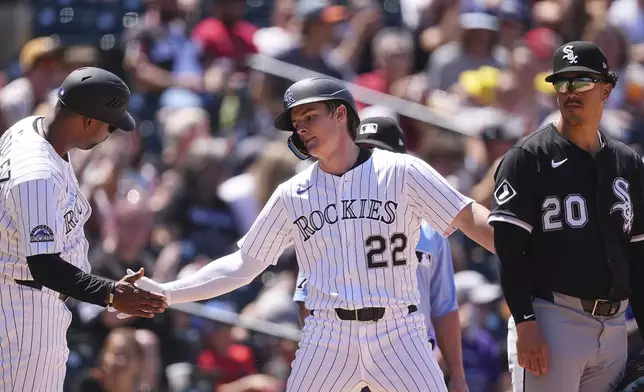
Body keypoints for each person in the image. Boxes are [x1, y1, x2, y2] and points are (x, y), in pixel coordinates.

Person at [124, 77, 494, 392]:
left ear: (340, 114)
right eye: (295, 122)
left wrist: (534, 252)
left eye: (309, 116)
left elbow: (469, 216)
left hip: (399, 330)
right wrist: (167, 291)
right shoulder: (293, 193)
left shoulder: (402, 171)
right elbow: (242, 265)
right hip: (327, 335)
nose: (300, 127)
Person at [488, 41, 644, 392]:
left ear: (606, 89)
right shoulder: (528, 157)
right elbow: (510, 250)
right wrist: (525, 321)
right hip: (553, 319)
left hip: (615, 325)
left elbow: (638, 257)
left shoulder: (629, 164)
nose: (571, 92)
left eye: (582, 82)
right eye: (563, 83)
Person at [0, 67, 168, 391]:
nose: (109, 133)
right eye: (109, 125)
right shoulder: (36, 173)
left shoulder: (30, 129)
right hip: (25, 307)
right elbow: (45, 266)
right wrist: (111, 294)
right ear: (88, 121)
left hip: (29, 298)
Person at [292, 116, 468, 392]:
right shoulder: (327, 220)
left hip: (410, 359)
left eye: (378, 153)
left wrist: (457, 374)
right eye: (364, 151)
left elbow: (444, 307)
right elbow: (307, 304)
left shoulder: (431, 228)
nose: (369, 162)